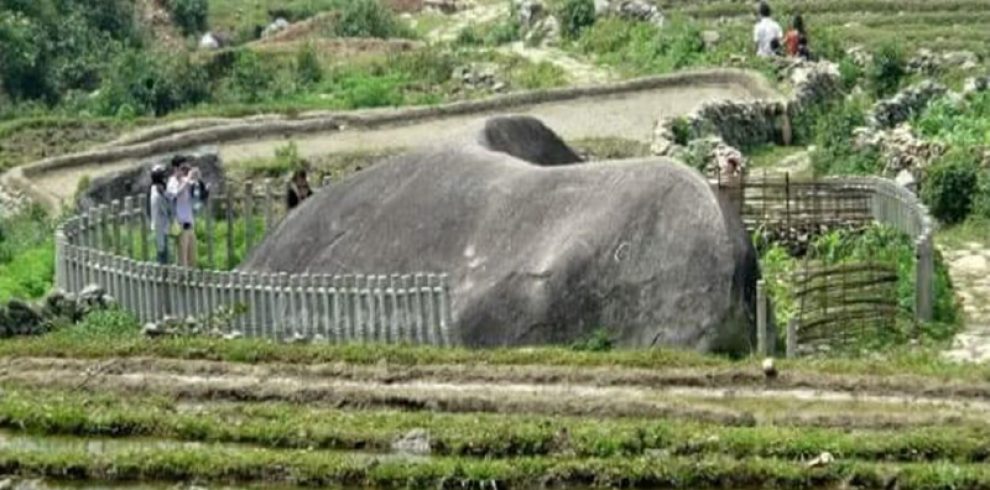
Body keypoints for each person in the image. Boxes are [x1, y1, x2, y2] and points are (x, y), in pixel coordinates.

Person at [166, 155, 202, 268]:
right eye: (182, 168)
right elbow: (174, 194)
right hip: (180, 227)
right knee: (182, 262)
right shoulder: (172, 182)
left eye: (186, 168)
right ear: (175, 169)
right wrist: (187, 181)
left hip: (190, 225)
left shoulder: (185, 181)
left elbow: (198, 195)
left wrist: (197, 178)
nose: (185, 170)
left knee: (192, 261)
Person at [148, 165, 172, 265]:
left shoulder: (157, 190)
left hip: (163, 226)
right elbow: (166, 208)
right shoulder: (157, 192)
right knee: (162, 254)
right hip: (160, 227)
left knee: (164, 253)